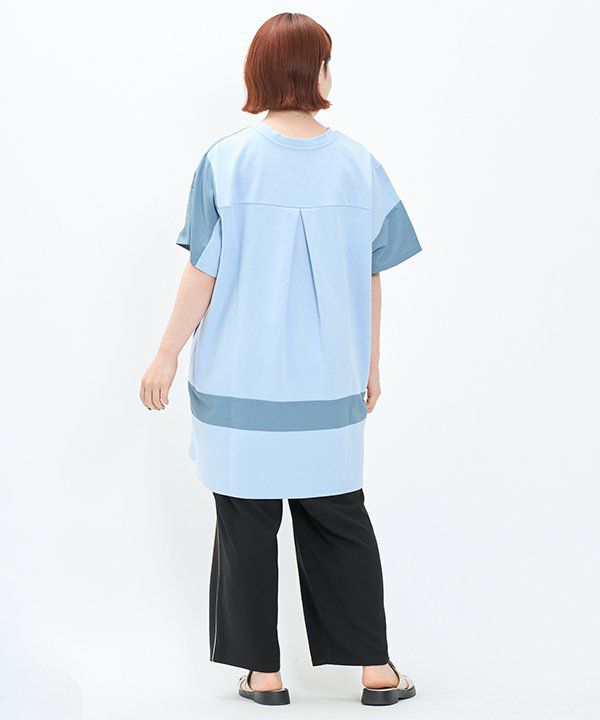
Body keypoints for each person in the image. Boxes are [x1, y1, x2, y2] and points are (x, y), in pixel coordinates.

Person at [140, 12, 421, 707]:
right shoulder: (359, 165)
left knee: (245, 525)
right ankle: (376, 672)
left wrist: (166, 355)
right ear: (316, 71)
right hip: (328, 384)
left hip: (240, 383)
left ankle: (264, 678)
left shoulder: (225, 161)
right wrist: (370, 365)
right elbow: (371, 274)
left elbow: (201, 272)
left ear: (259, 72)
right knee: (340, 520)